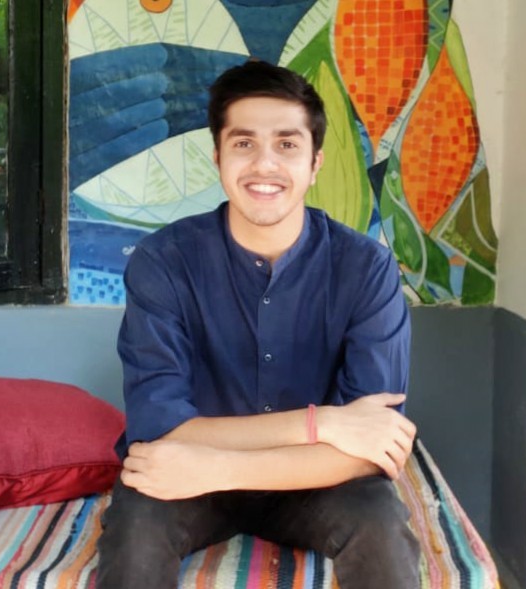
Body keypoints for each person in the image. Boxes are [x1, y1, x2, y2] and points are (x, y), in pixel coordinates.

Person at [97, 60, 420, 589]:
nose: (264, 164)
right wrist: (322, 424)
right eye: (244, 143)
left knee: (380, 525)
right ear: (218, 157)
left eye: (287, 144)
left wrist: (217, 467)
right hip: (187, 481)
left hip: (312, 481)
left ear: (315, 163)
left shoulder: (366, 267)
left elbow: (376, 445)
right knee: (136, 531)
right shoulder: (164, 261)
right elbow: (159, 429)